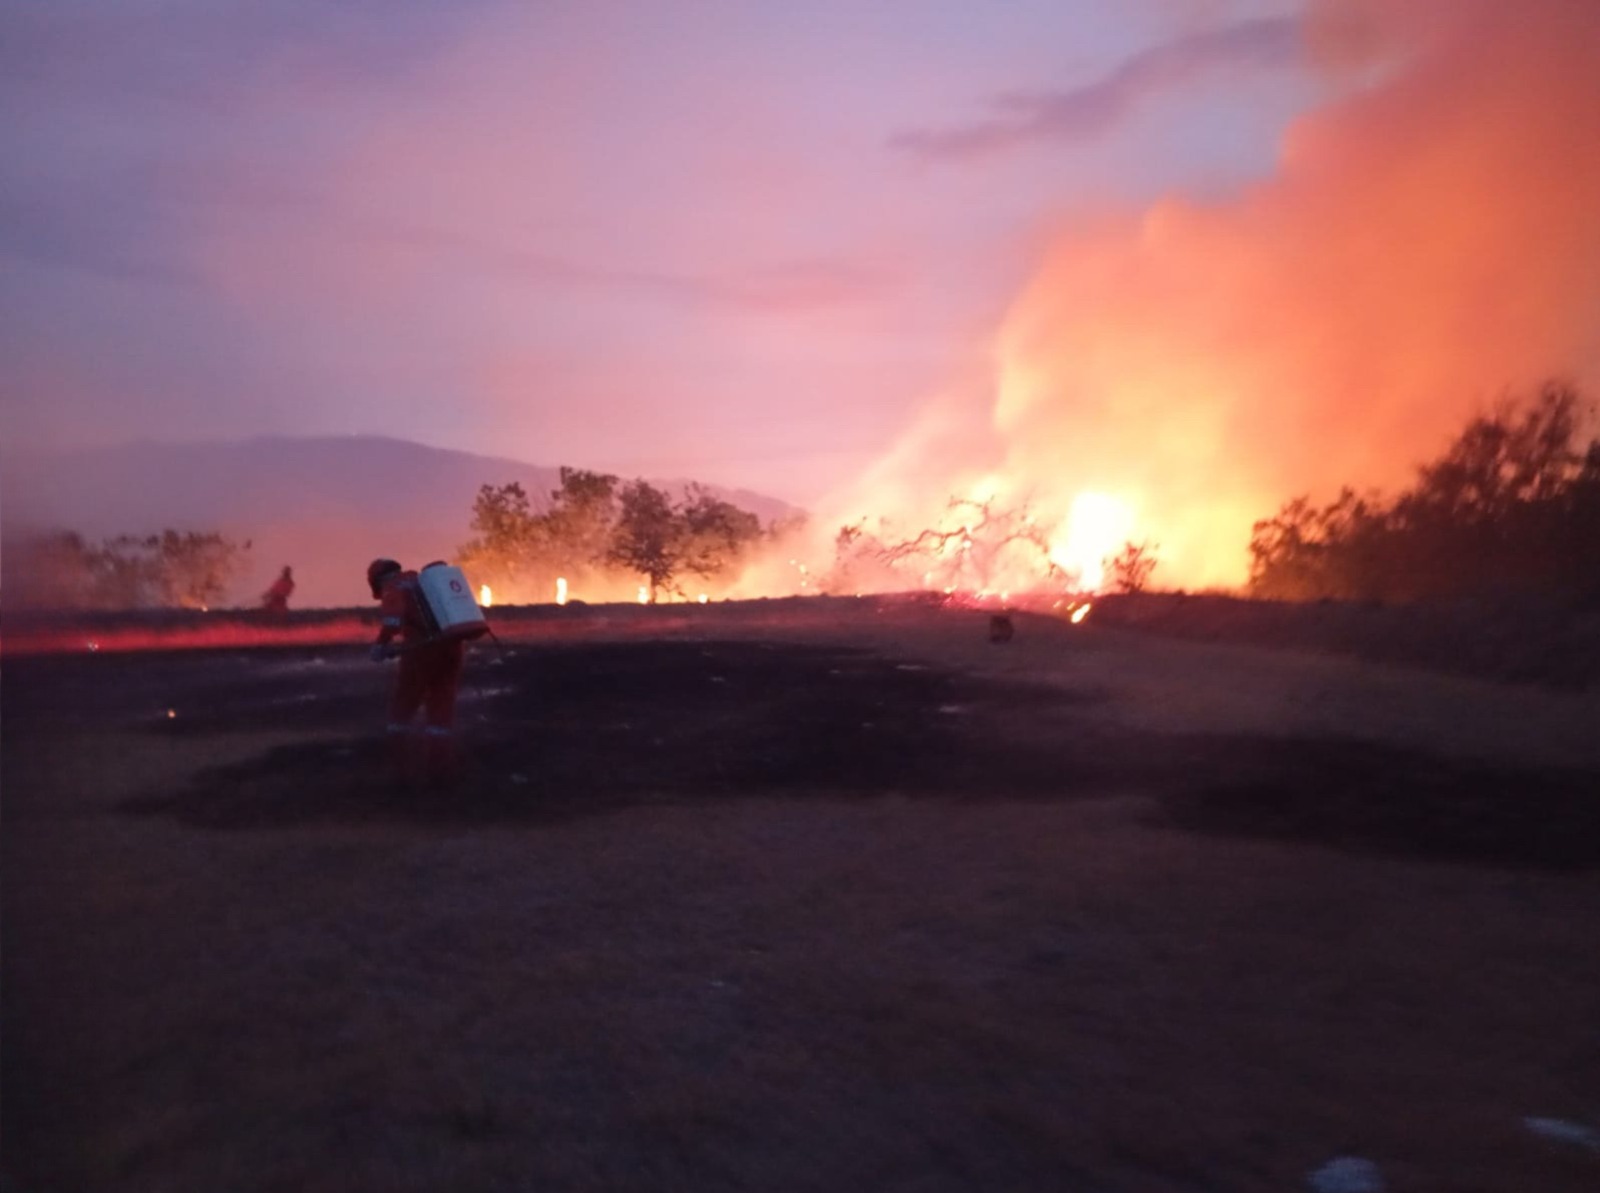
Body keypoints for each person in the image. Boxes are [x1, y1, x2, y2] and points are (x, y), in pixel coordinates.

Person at [367, 558, 465, 782]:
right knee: (441, 706)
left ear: (376, 581)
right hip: (453, 647)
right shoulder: (423, 581)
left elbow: (392, 621)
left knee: (403, 708)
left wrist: (381, 645)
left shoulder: (394, 586)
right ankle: (440, 768)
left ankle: (399, 766)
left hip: (422, 652)